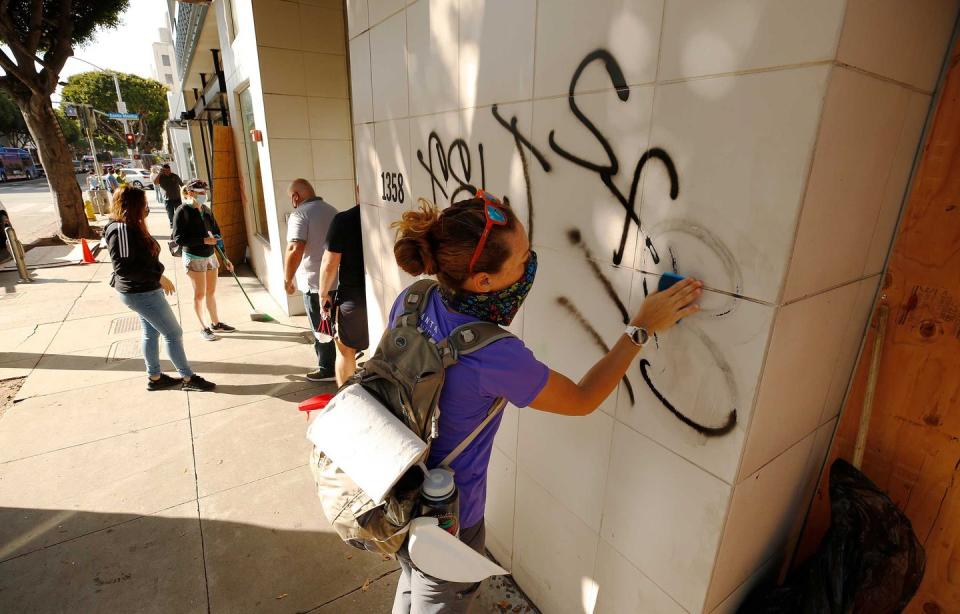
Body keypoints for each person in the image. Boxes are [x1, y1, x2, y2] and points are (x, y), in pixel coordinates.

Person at [388, 192, 701, 613]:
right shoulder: (496, 355)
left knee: (412, 581)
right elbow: (582, 399)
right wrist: (640, 328)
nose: (529, 263)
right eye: (521, 260)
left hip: (397, 487)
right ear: (483, 281)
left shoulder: (413, 301)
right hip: (450, 519)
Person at [104, 185, 216, 392]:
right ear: (132, 206)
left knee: (151, 333)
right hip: (141, 293)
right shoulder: (121, 229)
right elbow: (124, 268)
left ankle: (155, 377)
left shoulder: (130, 226)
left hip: (144, 290)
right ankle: (188, 378)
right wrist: (158, 277)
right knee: (173, 333)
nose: (147, 207)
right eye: (144, 204)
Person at [283, 178, 338, 382]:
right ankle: (341, 361)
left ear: (296, 196)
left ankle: (327, 369)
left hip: (315, 284)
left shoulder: (299, 214)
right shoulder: (332, 210)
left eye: (291, 198)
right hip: (337, 279)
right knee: (335, 324)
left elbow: (294, 247)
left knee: (321, 327)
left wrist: (287, 278)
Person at [172, 178, 236, 341]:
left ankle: (215, 323)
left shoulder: (206, 210)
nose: (204, 195)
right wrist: (203, 241)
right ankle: (203, 327)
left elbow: (217, 234)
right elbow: (178, 238)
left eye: (205, 192)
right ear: (191, 193)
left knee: (211, 292)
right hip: (194, 257)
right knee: (199, 294)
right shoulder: (182, 211)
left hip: (210, 256)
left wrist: (226, 258)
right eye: (201, 192)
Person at [317, 204, 367, 385]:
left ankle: (347, 400)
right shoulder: (393, 213)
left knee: (346, 351)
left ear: (359, 188)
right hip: (392, 297)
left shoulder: (345, 219)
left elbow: (329, 263)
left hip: (354, 298)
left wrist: (323, 294)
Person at [155, 164, 184, 228]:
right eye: (166, 170)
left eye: (169, 170)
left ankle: (180, 224)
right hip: (167, 199)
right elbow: (155, 183)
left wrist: (185, 193)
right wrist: (159, 174)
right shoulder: (161, 177)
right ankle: (173, 225)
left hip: (177, 198)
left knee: (179, 212)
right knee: (170, 214)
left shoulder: (175, 176)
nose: (168, 171)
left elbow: (182, 185)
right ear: (163, 170)